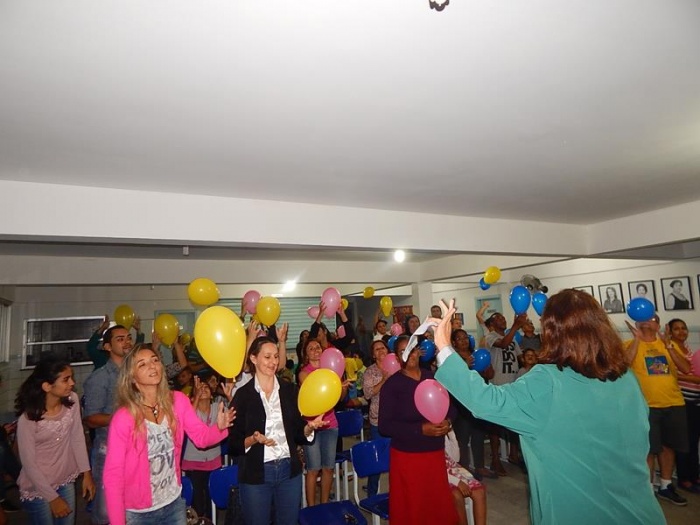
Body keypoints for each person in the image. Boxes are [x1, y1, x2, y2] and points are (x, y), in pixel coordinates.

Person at [434, 292, 666, 525]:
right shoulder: (626, 378)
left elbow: (486, 401)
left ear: (552, 332)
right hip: (641, 512)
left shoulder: (548, 382)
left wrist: (444, 346)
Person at [104, 344, 234, 525]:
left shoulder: (178, 401)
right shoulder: (124, 417)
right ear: (132, 377)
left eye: (155, 360)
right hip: (139, 513)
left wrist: (220, 427)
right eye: (142, 364)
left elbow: (201, 438)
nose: (152, 366)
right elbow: (113, 476)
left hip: (173, 503)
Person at [229, 337, 324, 525]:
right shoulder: (243, 396)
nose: (273, 362)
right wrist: (253, 439)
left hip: (289, 471)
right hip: (256, 474)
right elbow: (233, 444)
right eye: (267, 357)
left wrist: (308, 428)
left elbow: (297, 432)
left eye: (275, 357)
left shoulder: (289, 390)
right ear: (253, 358)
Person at [379, 333, 458, 525]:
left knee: (436, 506)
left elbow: (452, 407)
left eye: (412, 349)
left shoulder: (433, 378)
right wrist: (419, 429)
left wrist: (448, 422)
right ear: (397, 357)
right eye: (403, 351)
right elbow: (385, 426)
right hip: (408, 457)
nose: (410, 355)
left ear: (419, 351)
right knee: (413, 509)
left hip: (434, 454)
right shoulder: (392, 386)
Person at [15, 356, 95, 524]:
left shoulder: (72, 400)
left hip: (65, 479)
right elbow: (28, 463)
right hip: (38, 485)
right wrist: (52, 498)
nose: (72, 383)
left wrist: (86, 473)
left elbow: (77, 438)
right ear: (47, 386)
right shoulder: (29, 418)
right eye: (66, 379)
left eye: (71, 377)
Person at [624, 313, 691, 506]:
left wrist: (668, 345)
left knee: (668, 447)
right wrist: (637, 340)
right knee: (649, 449)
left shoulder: (669, 344)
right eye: (643, 318)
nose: (647, 320)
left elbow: (685, 368)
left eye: (652, 318)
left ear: (659, 325)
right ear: (637, 322)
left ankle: (666, 486)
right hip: (645, 406)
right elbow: (623, 365)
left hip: (673, 403)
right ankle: (647, 490)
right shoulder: (629, 344)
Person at [82, 324, 136, 525]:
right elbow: (91, 418)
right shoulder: (100, 378)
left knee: (132, 507)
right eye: (120, 339)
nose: (127, 342)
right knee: (106, 512)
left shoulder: (136, 373)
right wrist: (125, 417)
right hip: (109, 450)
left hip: (136, 447)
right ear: (107, 347)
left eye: (128, 337)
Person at [298, 338, 349, 506]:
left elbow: (339, 399)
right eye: (311, 348)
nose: (315, 350)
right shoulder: (304, 373)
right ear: (306, 354)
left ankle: (325, 504)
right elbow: (314, 391)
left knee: (328, 467)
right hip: (311, 426)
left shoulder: (331, 370)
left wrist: (342, 387)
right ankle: (312, 508)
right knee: (313, 469)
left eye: (318, 347)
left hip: (330, 424)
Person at [182, 377, 232, 519]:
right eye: (199, 388)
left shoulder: (218, 408)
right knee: (197, 503)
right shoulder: (191, 409)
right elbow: (186, 420)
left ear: (212, 395)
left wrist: (230, 397)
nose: (203, 389)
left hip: (214, 463)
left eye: (206, 388)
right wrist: (196, 398)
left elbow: (235, 415)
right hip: (194, 464)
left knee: (212, 502)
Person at [449, 329, 496, 480]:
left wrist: (488, 367)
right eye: (459, 338)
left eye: (465, 337)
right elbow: (453, 378)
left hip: (478, 401)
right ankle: (465, 468)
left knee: (478, 435)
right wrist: (465, 365)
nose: (464, 341)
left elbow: (490, 375)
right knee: (463, 438)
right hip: (462, 403)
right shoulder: (453, 358)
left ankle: (480, 467)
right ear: (454, 342)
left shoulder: (477, 354)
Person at [483, 312, 525, 475]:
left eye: (503, 317)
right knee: (496, 425)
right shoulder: (490, 336)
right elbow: (502, 344)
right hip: (498, 385)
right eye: (498, 318)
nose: (503, 319)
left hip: (513, 384)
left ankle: (513, 454)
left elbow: (520, 357)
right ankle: (495, 459)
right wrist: (516, 326)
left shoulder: (512, 338)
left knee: (514, 422)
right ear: (492, 324)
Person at [666, 318, 700, 493]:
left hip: (695, 403)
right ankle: (684, 478)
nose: (681, 331)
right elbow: (671, 373)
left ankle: (695, 475)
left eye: (684, 328)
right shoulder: (669, 349)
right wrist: (695, 379)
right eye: (677, 329)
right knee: (684, 442)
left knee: (693, 441)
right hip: (682, 402)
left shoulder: (687, 349)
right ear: (670, 332)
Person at [362, 339, 392, 496]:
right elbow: (368, 393)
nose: (381, 351)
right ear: (373, 355)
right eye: (377, 349)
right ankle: (371, 496)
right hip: (377, 421)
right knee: (377, 461)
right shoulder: (370, 372)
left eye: (383, 348)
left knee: (396, 461)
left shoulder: (396, 366)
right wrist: (384, 380)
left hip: (396, 420)